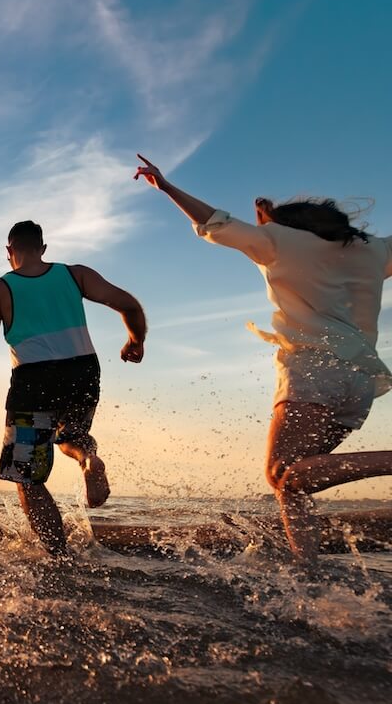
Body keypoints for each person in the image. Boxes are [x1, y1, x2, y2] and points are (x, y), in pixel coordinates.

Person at [134, 154, 392, 565]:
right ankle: (307, 568)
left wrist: (165, 186)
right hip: (361, 383)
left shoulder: (277, 241)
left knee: (283, 475)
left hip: (314, 371)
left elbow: (215, 221)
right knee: (294, 479)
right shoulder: (374, 250)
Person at [0, 220, 146, 555]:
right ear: (43, 248)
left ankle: (58, 557)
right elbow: (129, 305)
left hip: (33, 379)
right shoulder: (75, 275)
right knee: (71, 434)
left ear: (10, 252)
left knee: (28, 477)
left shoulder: (1, 288)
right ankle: (88, 458)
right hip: (82, 370)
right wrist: (135, 341)